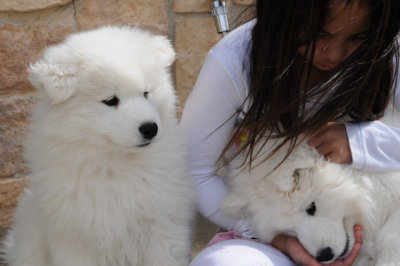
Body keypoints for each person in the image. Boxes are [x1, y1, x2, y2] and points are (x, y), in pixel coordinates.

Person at [180, 0, 400, 265]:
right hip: (282, 233)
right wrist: (274, 237)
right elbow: (194, 170)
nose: (333, 54)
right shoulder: (234, 60)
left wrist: (361, 143)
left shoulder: (388, 49)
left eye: (358, 37)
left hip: (378, 216)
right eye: (320, 33)